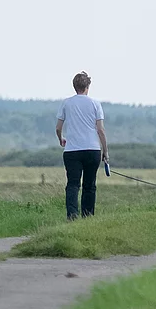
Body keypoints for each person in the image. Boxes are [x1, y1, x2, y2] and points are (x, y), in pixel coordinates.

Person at [56, 71, 107, 220]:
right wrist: (105, 151)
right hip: (92, 149)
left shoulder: (66, 103)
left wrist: (61, 139)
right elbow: (101, 130)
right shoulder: (95, 104)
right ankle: (88, 216)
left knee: (72, 184)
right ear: (87, 86)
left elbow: (58, 128)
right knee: (89, 185)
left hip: (72, 150)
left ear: (74, 86)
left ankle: (72, 215)